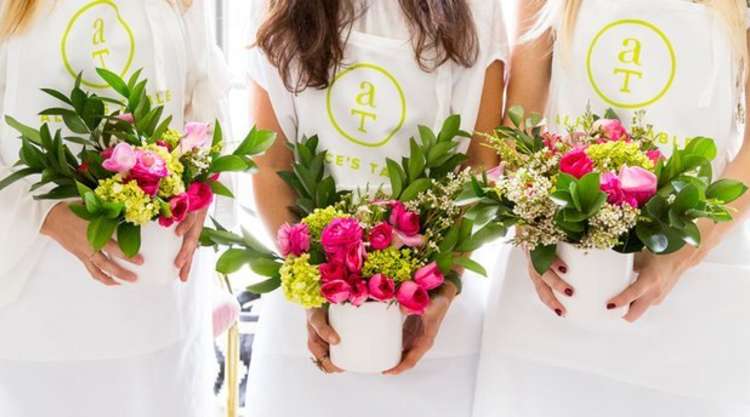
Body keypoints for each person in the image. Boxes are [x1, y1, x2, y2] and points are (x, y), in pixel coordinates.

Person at [474, 0, 750, 416]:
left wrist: (682, 255)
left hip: (692, 302)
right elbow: (521, 119)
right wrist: (534, 225)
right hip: (557, 290)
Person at [245, 1, 507, 415]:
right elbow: (271, 164)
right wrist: (316, 288)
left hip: (433, 324)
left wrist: (445, 283)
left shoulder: (475, 11)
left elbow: (479, 161)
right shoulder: (285, 10)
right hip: (308, 328)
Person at [0, 1, 230, 416]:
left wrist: (201, 183)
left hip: (161, 303)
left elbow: (203, 86)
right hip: (43, 305)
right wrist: (46, 217)